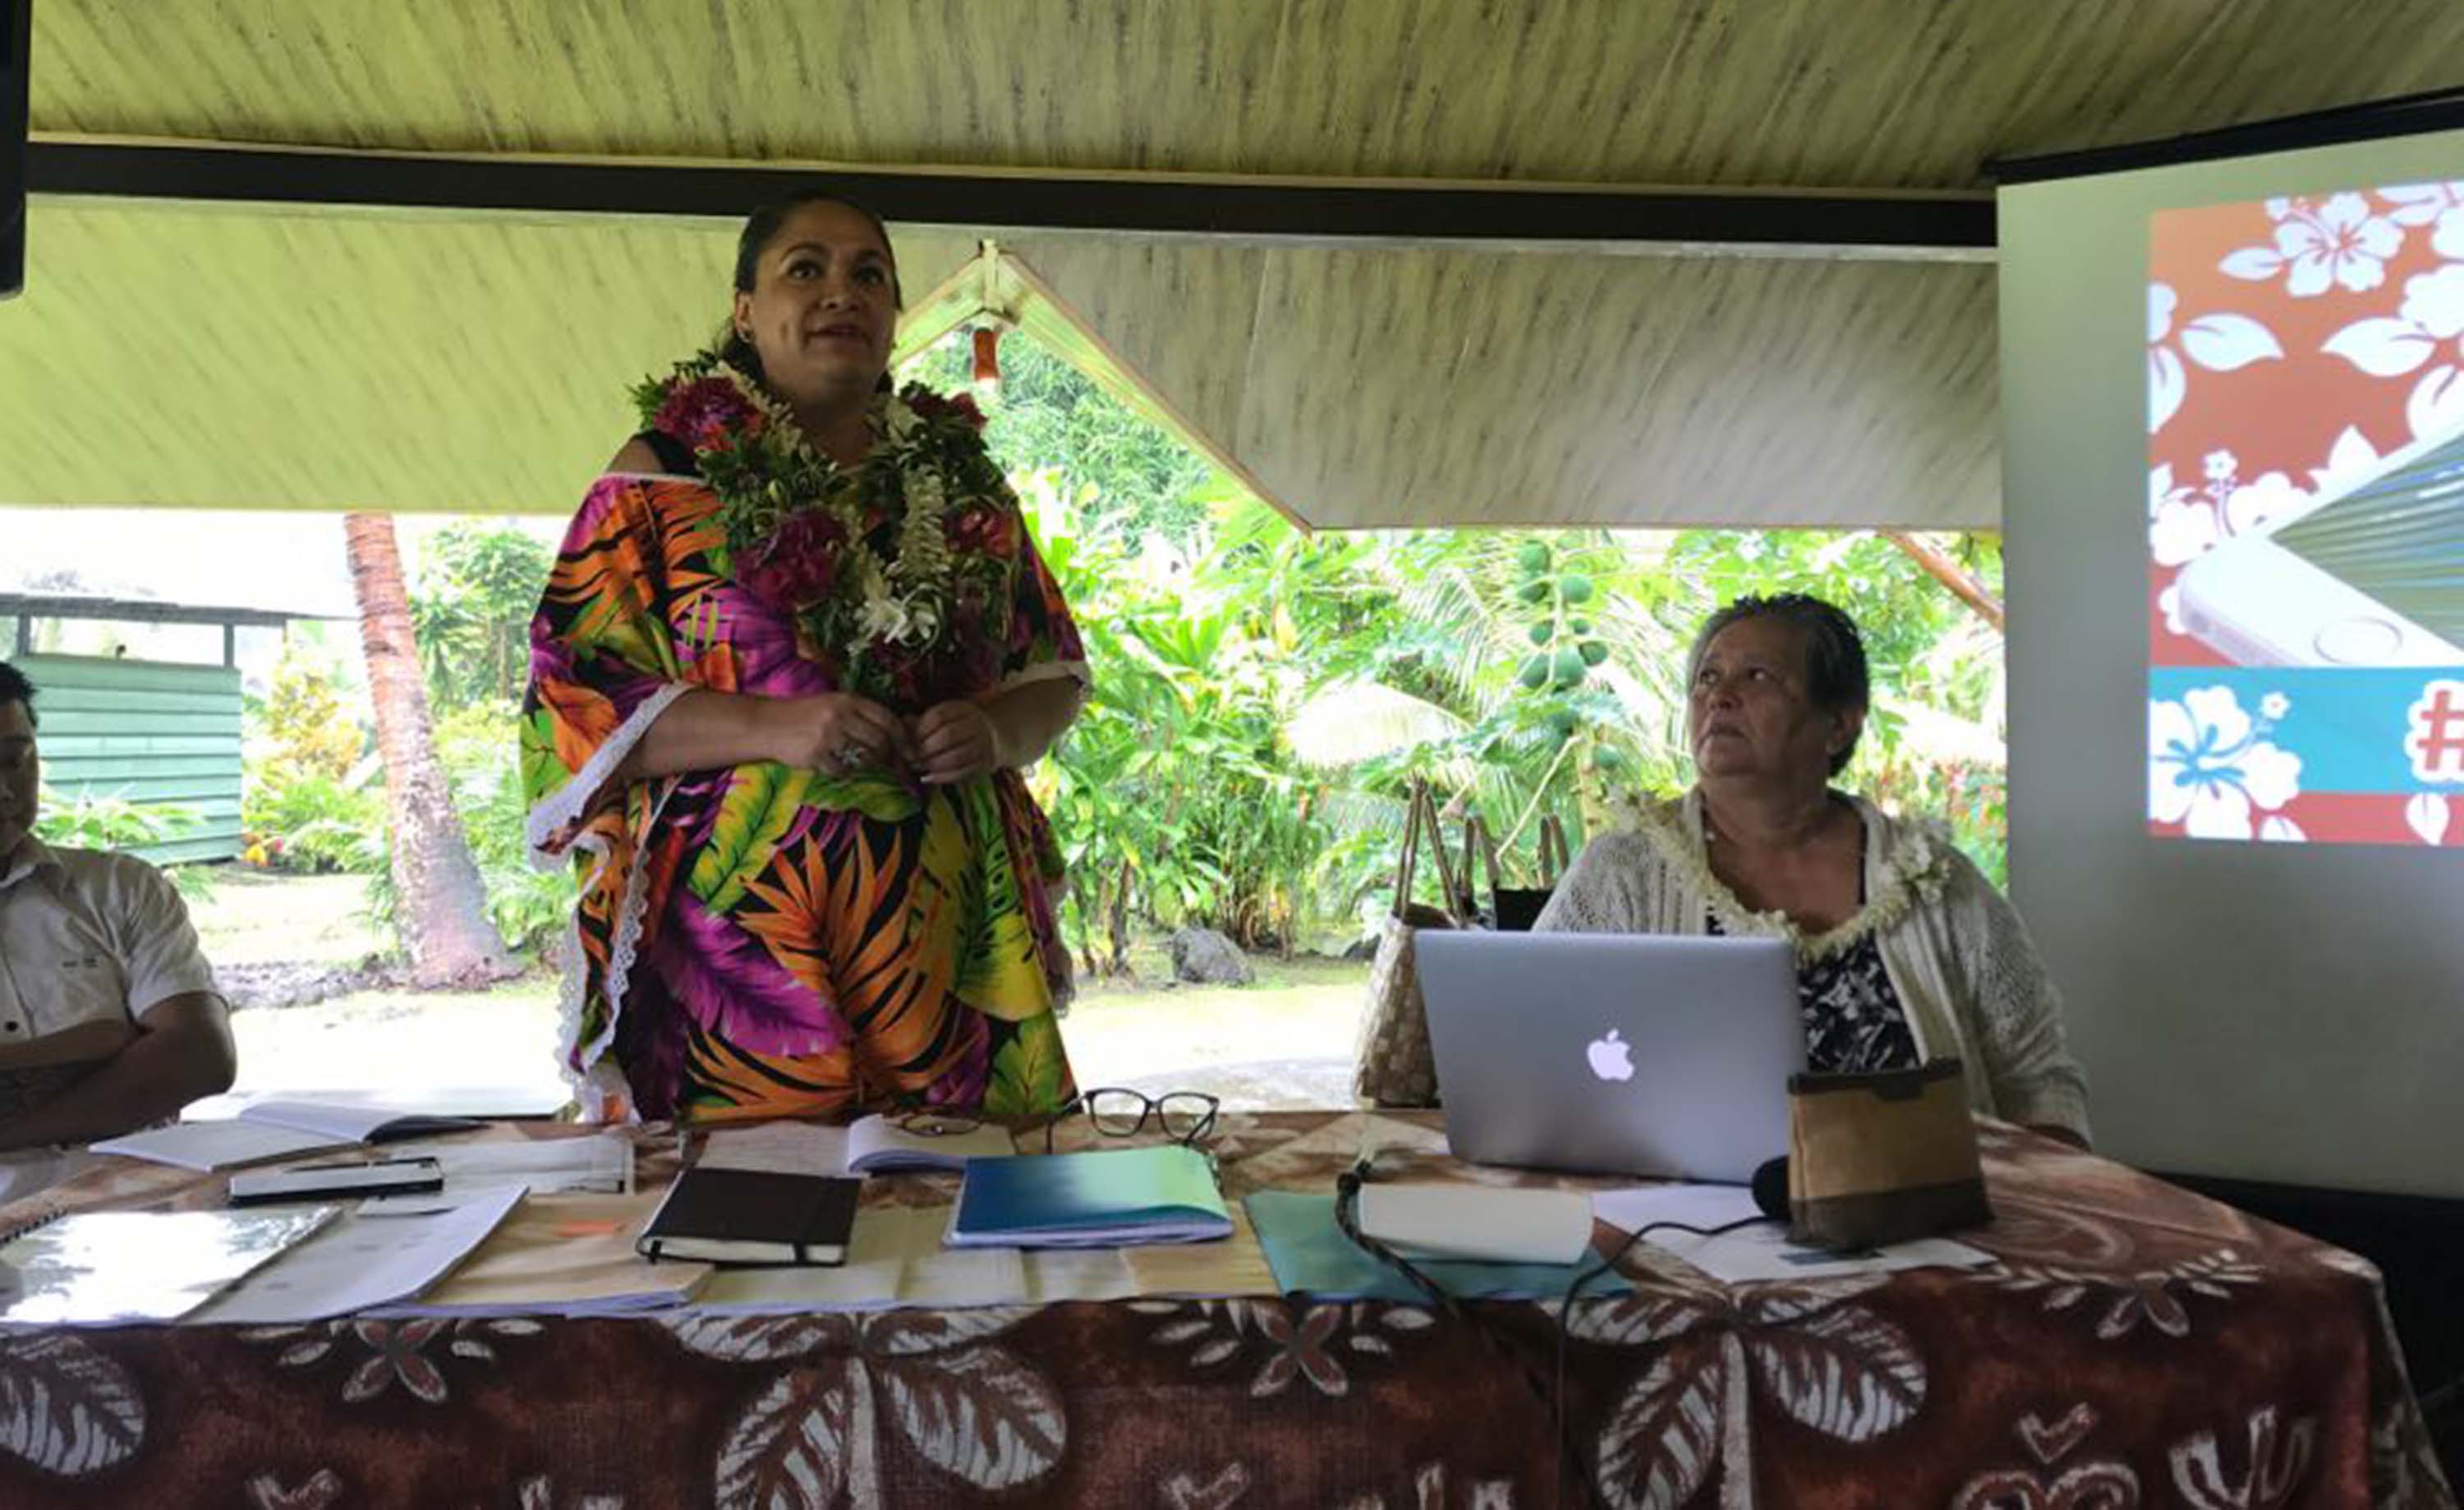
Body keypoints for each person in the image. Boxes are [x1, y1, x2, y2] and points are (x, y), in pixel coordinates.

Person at [523, 190, 1089, 1126]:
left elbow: (1051, 673)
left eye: (870, 273)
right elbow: (570, 693)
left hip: (951, 936)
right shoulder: (661, 472)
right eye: (806, 268)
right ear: (745, 310)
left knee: (972, 1220)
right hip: (741, 943)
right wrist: (781, 725)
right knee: (746, 1226)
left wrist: (991, 730)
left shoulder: (959, 479)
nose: (842, 292)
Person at [1535, 593, 2090, 1146]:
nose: (1720, 697)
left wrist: (2043, 1208)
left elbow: (2038, 1078)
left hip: (1920, 1220)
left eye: (1756, 677)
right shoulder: (1624, 869)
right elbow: (1532, 1031)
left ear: (1839, 725)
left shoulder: (1930, 878)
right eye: (1707, 678)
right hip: (1678, 1225)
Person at [0, 661, 238, 1199]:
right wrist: (112, 1044)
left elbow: (201, 1057)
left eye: (17, 760)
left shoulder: (121, 889)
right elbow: (161, 1055)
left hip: (139, 1215)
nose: (6, 792)